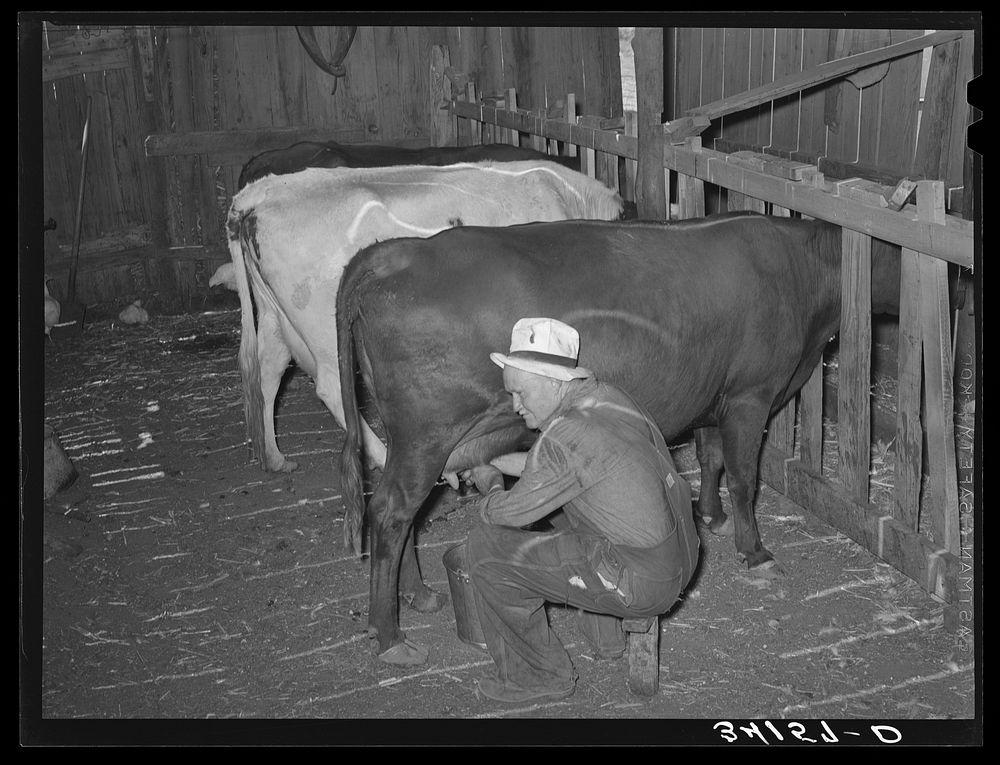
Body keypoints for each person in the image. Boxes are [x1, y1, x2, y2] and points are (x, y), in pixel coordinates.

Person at [462, 317, 700, 704]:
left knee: (486, 551)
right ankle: (605, 638)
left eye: (520, 393)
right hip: (679, 556)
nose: (515, 405)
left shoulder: (565, 436)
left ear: (555, 382)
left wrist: (488, 481)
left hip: (641, 582)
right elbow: (557, 470)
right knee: (566, 505)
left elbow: (505, 515)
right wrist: (493, 458)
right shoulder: (607, 397)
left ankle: (539, 675)